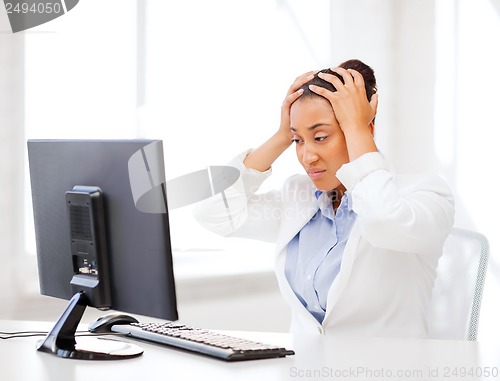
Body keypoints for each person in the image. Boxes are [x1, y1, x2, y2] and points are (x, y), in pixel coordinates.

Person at [194, 59, 455, 337]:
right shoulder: (300, 197)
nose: (307, 156)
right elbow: (211, 211)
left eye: (320, 137)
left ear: (366, 128)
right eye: (298, 141)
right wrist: (282, 135)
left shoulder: (426, 195)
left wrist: (356, 127)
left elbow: (382, 220)